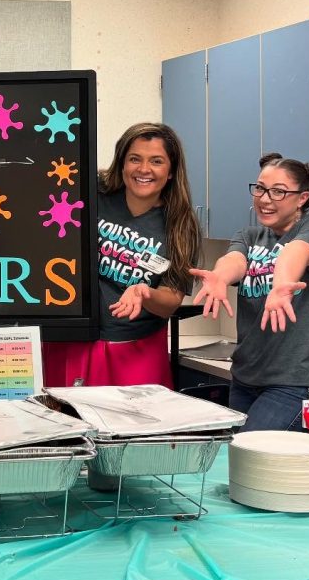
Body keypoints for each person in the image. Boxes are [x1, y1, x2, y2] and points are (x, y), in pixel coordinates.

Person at [190, 153, 309, 431]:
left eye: (278, 191)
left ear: (302, 198)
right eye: (260, 188)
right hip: (246, 379)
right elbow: (235, 261)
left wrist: (281, 283)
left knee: (254, 463)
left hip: (297, 383)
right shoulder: (249, 236)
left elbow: (295, 252)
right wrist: (219, 277)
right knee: (238, 463)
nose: (264, 198)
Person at [43, 122, 202, 388]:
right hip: (73, 341)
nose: (144, 169)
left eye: (157, 161)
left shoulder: (180, 225)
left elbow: (171, 300)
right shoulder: (92, 192)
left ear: (171, 170)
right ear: (122, 163)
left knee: (136, 429)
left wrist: (145, 292)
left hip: (135, 349)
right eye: (134, 159)